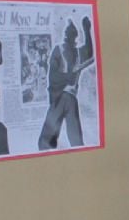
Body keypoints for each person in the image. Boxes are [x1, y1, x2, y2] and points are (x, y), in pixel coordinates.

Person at [38, 17, 93, 150]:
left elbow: (89, 52)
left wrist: (87, 30)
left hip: (70, 98)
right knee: (45, 142)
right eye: (69, 35)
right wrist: (68, 76)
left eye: (72, 36)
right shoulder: (58, 50)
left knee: (76, 143)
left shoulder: (78, 52)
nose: (70, 39)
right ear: (66, 36)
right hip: (59, 97)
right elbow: (53, 76)